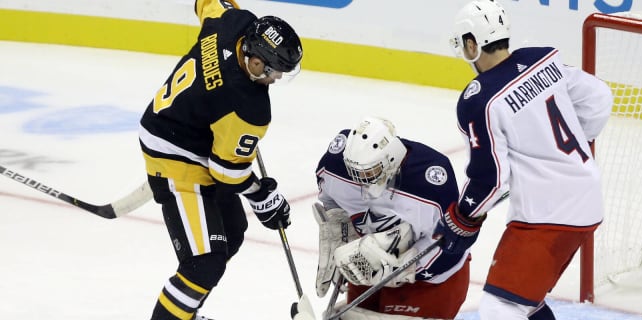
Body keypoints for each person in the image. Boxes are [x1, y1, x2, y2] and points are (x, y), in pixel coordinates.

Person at [435, 1, 613, 319]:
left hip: (549, 214)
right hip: (586, 197)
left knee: (498, 307)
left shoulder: (479, 100)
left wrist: (463, 218)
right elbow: (599, 97)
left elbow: (489, 181)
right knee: (524, 300)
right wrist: (564, 153)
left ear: (472, 43)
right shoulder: (542, 59)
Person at [137, 0, 307, 319]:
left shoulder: (233, 22)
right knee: (203, 263)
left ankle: (183, 310)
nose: (278, 79)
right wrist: (262, 195)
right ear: (255, 62)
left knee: (231, 229)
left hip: (190, 132)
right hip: (173, 155)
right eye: (274, 71)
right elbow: (226, 172)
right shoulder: (248, 108)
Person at [313, 117, 471, 319]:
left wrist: (403, 268)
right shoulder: (335, 166)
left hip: (430, 282)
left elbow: (453, 246)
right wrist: (339, 224)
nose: (361, 180)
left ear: (391, 159)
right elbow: (331, 198)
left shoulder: (429, 182)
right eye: (354, 173)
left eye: (370, 172)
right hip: (366, 268)